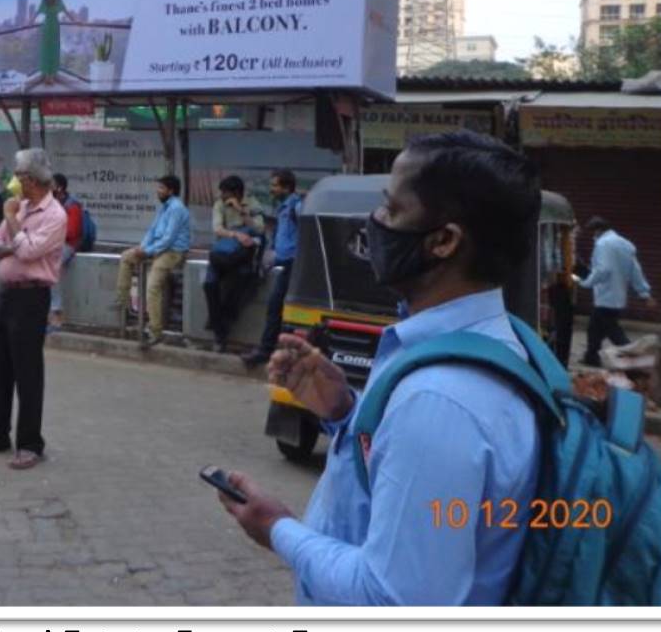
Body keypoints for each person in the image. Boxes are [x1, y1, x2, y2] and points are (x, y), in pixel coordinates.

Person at [216, 131, 543, 605]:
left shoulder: (439, 400)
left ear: (444, 241)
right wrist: (347, 413)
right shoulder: (491, 340)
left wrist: (277, 527)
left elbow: (392, 600)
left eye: (391, 210)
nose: (374, 222)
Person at [0, 149, 67, 470]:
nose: (15, 183)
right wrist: (12, 239)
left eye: (20, 176)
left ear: (32, 180)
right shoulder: (21, 206)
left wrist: (12, 223)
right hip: (7, 294)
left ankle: (30, 444)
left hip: (32, 297)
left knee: (27, 372)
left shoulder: (54, 215)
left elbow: (28, 251)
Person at [115, 175, 192, 348]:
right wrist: (141, 248)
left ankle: (155, 332)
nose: (158, 191)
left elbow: (169, 238)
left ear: (171, 191)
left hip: (173, 252)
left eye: (161, 188)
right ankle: (122, 301)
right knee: (127, 257)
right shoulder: (164, 207)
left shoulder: (176, 208)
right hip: (157, 248)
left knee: (152, 286)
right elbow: (152, 231)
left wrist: (147, 251)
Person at [575, 216, 655, 367]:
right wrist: (644, 293)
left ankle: (634, 359)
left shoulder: (603, 244)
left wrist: (586, 283)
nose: (593, 236)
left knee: (614, 333)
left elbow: (603, 270)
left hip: (605, 297)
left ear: (598, 230)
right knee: (594, 329)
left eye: (593, 232)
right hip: (617, 298)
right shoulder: (625, 245)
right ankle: (591, 358)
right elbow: (635, 271)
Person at [243, 170, 302, 368]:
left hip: (295, 265)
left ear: (286, 187)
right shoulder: (284, 208)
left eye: (275, 185)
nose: (272, 189)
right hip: (284, 264)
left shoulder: (297, 206)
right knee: (278, 308)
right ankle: (274, 350)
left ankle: (268, 350)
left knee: (277, 307)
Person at [203, 175, 266, 352]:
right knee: (210, 284)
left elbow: (259, 229)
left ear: (237, 193)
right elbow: (217, 228)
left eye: (226, 193)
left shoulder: (252, 203)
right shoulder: (219, 204)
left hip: (242, 256)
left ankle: (220, 330)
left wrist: (241, 211)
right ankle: (219, 328)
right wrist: (236, 235)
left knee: (239, 281)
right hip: (223, 252)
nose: (223, 196)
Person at [26, 0, 82, 90]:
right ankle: (51, 77)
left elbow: (37, 13)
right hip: (55, 27)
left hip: (46, 26)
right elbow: (66, 11)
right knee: (53, 51)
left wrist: (30, 22)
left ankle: (47, 77)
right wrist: (75, 21)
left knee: (46, 51)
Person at [48, 172, 83, 328]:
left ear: (59, 188)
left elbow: (72, 232)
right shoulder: (50, 203)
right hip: (51, 243)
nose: (48, 188)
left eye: (51, 185)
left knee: (52, 266)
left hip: (68, 245)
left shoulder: (72, 205)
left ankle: (56, 311)